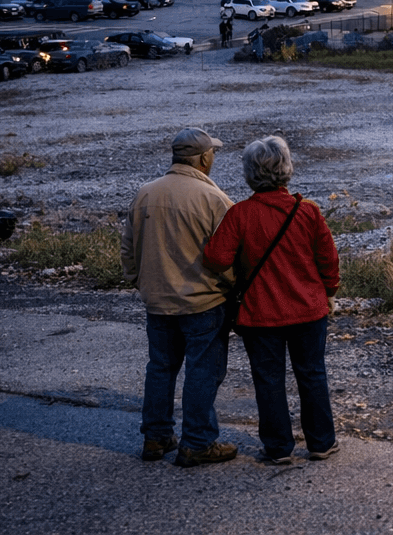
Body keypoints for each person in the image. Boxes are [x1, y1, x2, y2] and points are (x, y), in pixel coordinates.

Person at [205, 136, 341, 466]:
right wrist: (329, 293)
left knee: (268, 380)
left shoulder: (240, 214)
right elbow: (329, 261)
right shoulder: (307, 211)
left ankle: (278, 447)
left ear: (250, 173)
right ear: (287, 170)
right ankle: (321, 442)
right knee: (312, 374)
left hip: (260, 313)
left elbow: (217, 258)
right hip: (308, 310)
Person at [120, 127, 237, 467]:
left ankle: (156, 437)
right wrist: (230, 288)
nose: (213, 157)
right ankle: (197, 441)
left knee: (160, 368)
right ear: (203, 159)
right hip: (202, 302)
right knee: (203, 371)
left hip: (157, 301)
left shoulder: (145, 193)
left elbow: (128, 248)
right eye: (212, 153)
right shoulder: (214, 199)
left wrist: (140, 282)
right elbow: (228, 256)